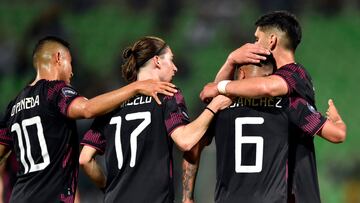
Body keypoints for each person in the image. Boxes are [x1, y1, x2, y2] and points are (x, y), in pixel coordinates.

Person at [0, 36, 178, 202]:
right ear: (58, 58)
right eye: (70, 63)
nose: (72, 72)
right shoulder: (55, 91)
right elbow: (87, 109)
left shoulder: (14, 105)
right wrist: (136, 87)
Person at [199, 10, 342, 202]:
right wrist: (231, 60)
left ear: (272, 40)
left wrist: (220, 86)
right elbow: (215, 103)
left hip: (293, 190)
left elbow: (267, 87)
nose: (253, 45)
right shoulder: (285, 95)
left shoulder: (295, 74)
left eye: (257, 39)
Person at [79, 36, 231, 203]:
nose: (175, 68)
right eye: (171, 60)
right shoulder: (165, 94)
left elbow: (85, 159)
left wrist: (109, 188)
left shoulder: (111, 103)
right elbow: (185, 141)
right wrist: (213, 107)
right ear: (157, 61)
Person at [183, 55, 346, 203]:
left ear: (241, 75)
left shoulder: (219, 107)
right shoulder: (290, 105)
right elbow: (337, 135)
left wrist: (187, 197)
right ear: (270, 78)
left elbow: (192, 147)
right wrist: (337, 120)